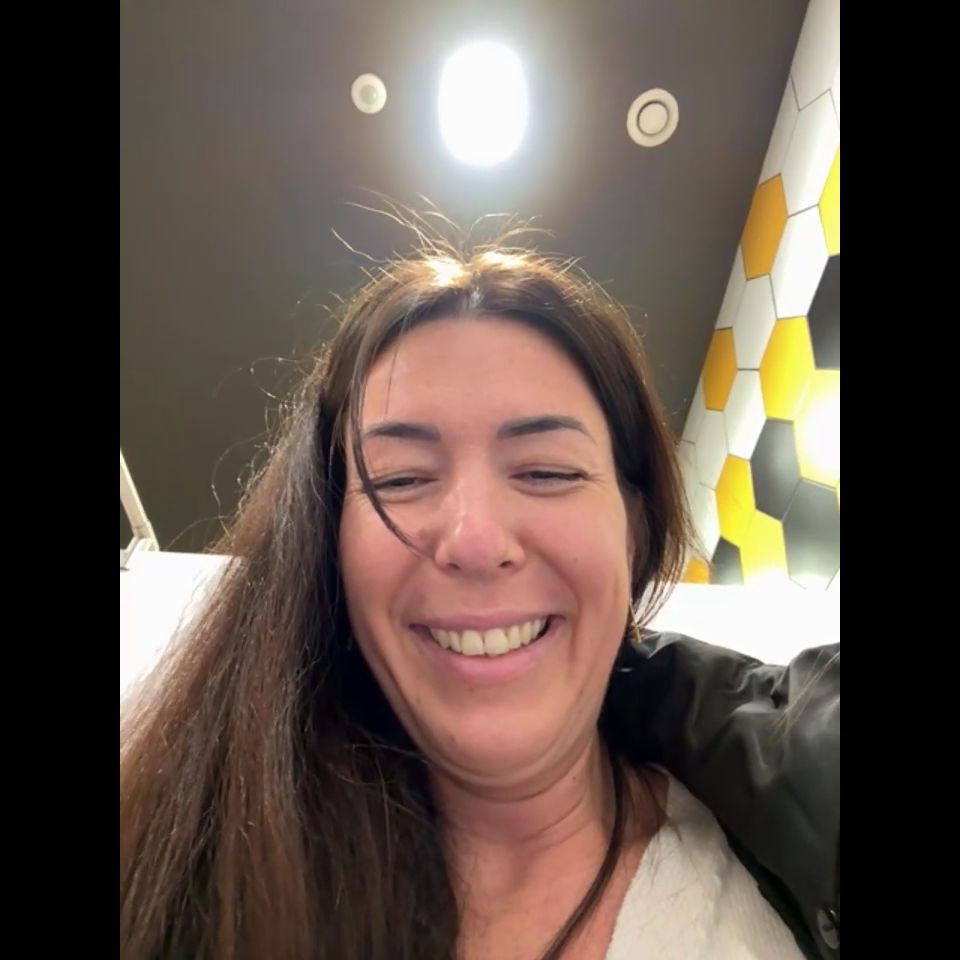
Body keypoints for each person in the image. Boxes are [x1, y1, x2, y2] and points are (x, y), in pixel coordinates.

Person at [120, 229, 839, 960]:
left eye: (547, 471)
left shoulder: (794, 855)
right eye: (401, 479)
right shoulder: (177, 874)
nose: (474, 539)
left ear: (636, 529)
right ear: (329, 548)